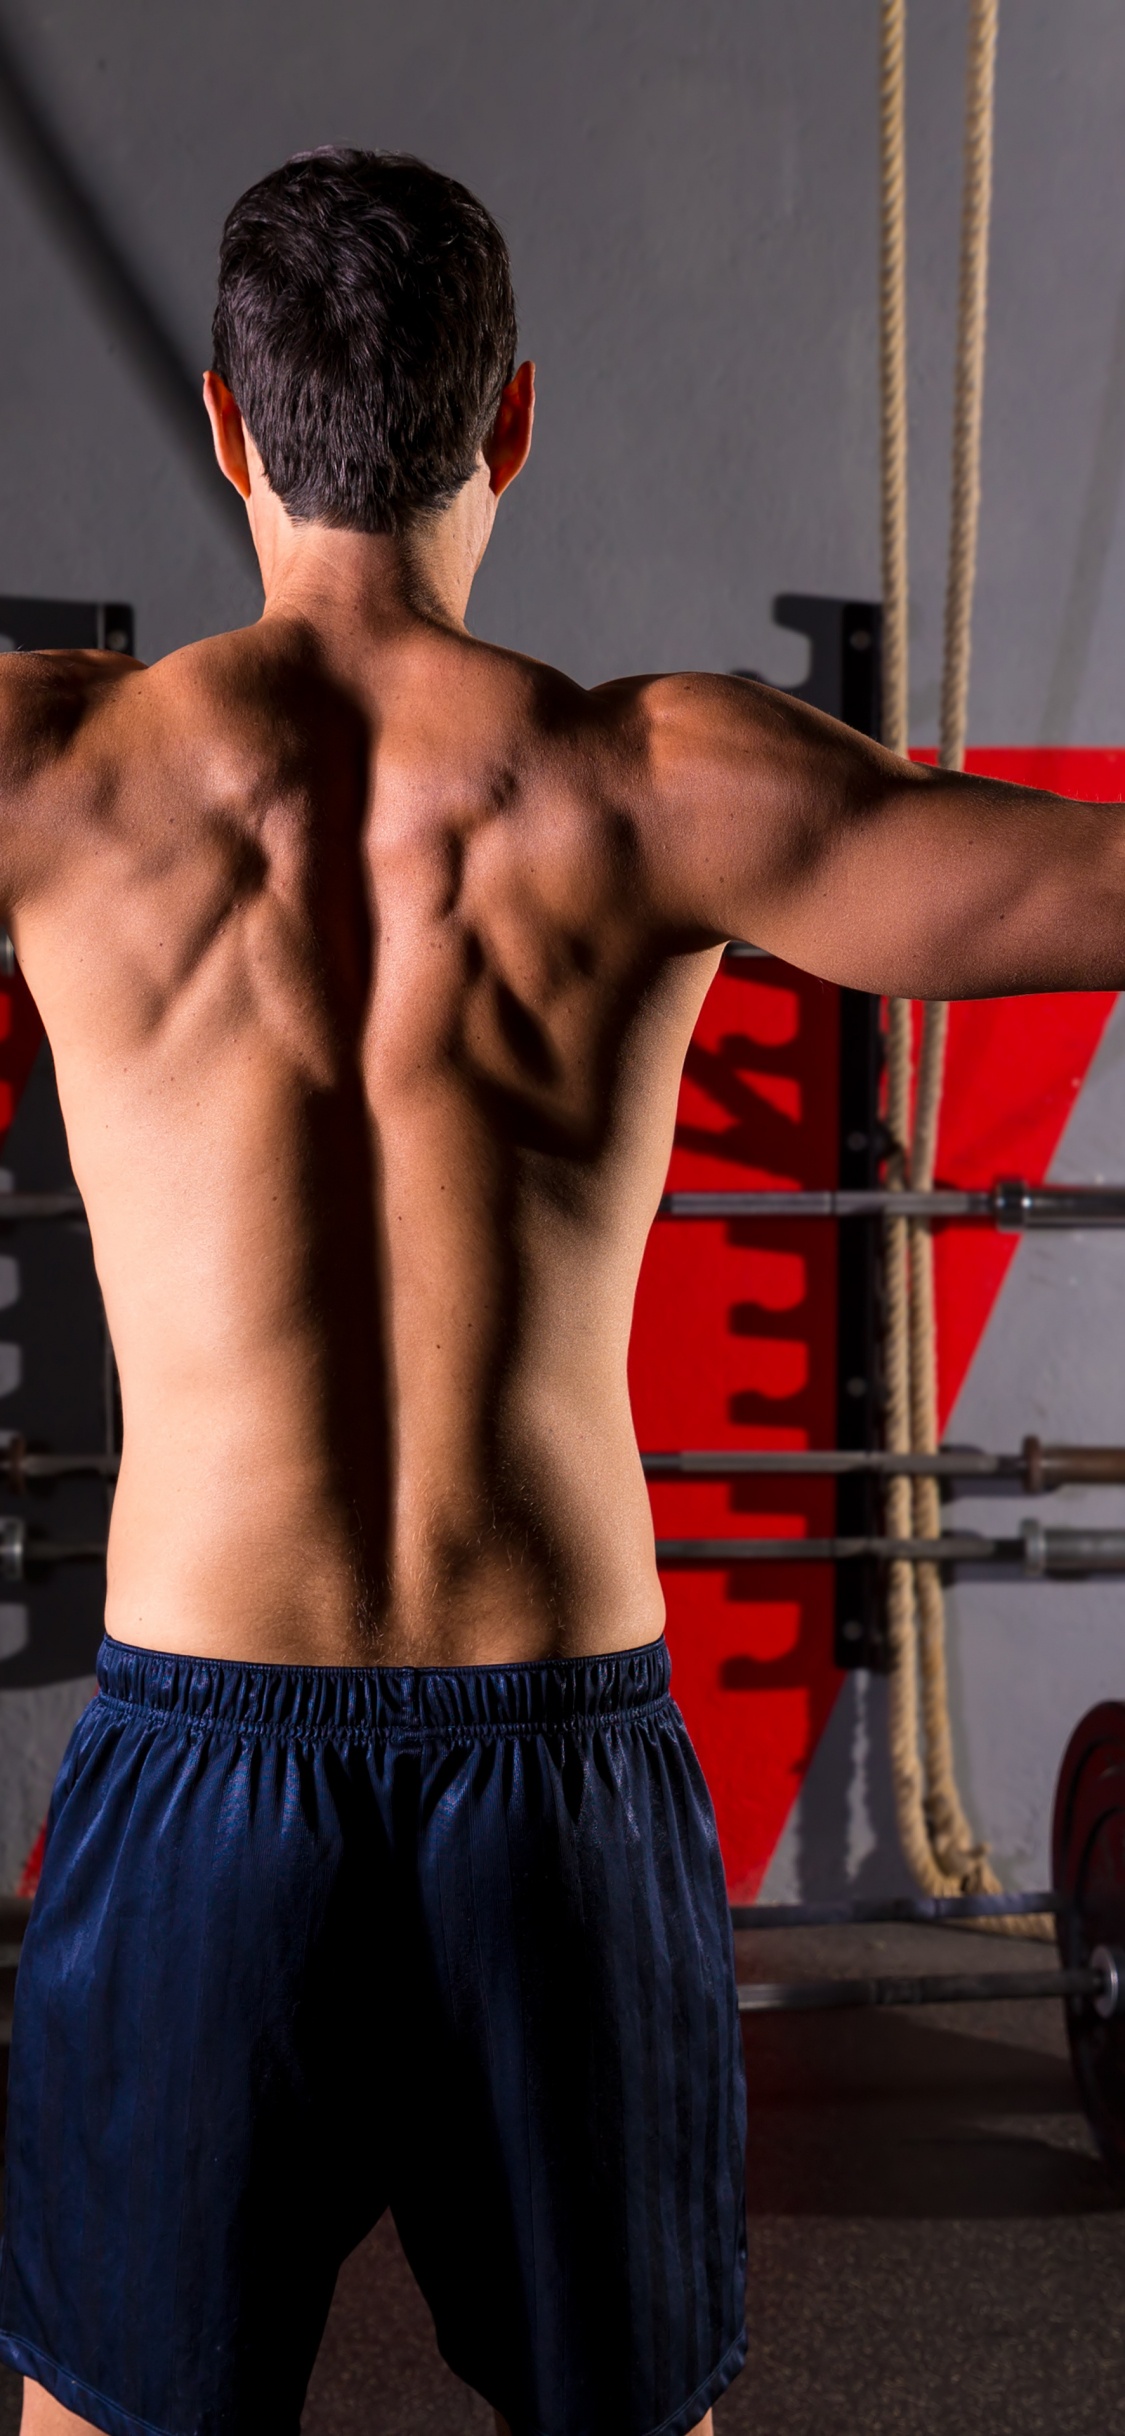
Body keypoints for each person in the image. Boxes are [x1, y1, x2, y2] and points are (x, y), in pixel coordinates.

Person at [0, 145, 1123, 2436]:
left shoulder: (62, 777)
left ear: (226, 426)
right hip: (551, 1763)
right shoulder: (644, 786)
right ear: (510, 422)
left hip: (204, 1738)